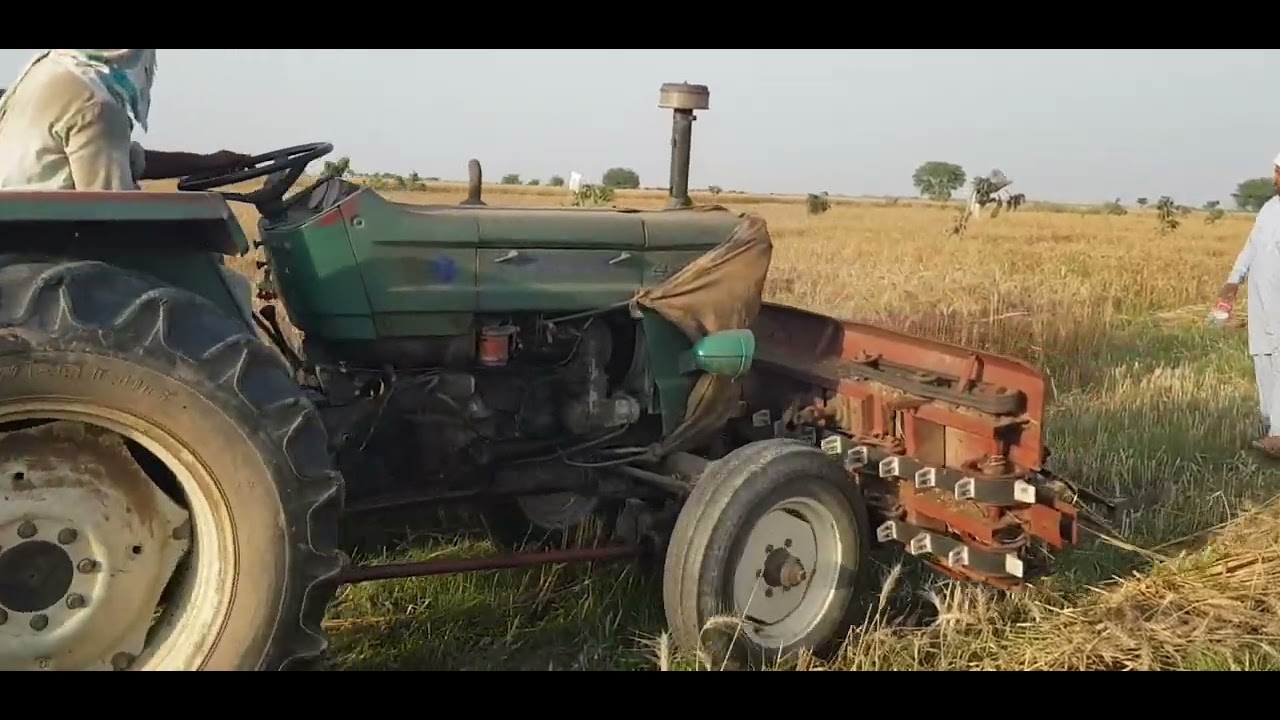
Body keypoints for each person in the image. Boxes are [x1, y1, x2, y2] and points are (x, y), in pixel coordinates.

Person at [0, 49, 258, 324]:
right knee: (222, 283)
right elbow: (111, 212)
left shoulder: (50, 72)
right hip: (57, 245)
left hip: (22, 234)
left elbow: (117, 155)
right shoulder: (94, 103)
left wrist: (206, 163)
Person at [1216, 152, 1280, 457]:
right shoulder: (1269, 209)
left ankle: (1279, 432)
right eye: (1276, 172)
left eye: (1279, 172)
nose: (1276, 179)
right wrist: (1233, 280)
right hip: (1260, 296)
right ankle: (1270, 424)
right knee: (1262, 354)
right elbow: (1251, 247)